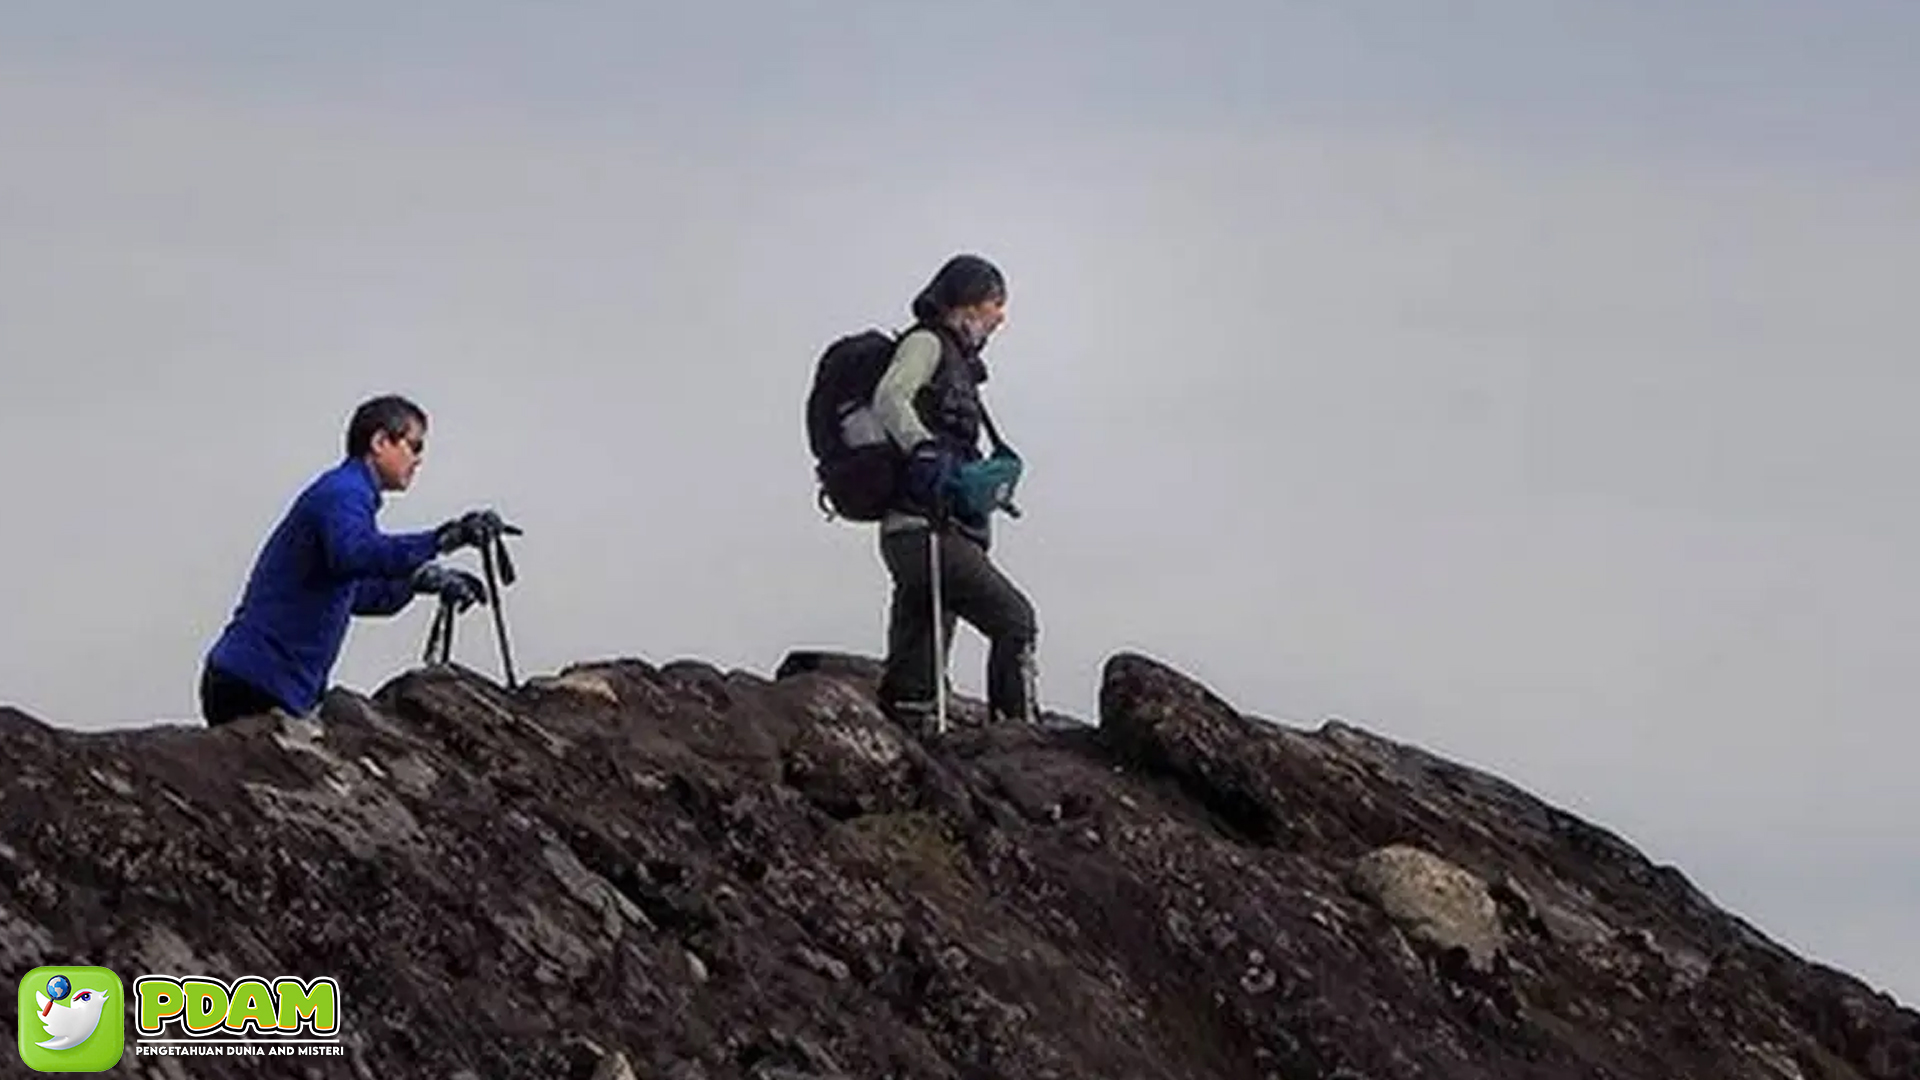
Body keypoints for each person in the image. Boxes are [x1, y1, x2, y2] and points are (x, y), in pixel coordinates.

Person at [198, 394, 514, 726]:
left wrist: (420, 580)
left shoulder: (348, 494)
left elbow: (356, 592)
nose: (419, 460)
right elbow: (355, 555)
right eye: (415, 446)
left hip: (257, 681)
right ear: (380, 441)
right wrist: (444, 539)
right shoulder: (344, 492)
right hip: (257, 684)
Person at [870, 253, 1039, 729]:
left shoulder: (958, 362)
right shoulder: (927, 344)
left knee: (917, 666)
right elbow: (890, 396)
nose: (998, 318)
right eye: (993, 304)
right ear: (966, 303)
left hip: (925, 530)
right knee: (1015, 621)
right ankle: (1018, 735)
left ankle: (911, 729)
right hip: (925, 528)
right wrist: (922, 447)